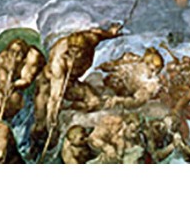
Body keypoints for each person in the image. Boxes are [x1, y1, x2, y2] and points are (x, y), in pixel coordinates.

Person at [32, 22, 123, 154]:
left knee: (94, 102)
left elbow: (97, 33)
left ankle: (68, 108)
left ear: (84, 49)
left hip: (71, 83)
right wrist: (52, 115)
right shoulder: (59, 61)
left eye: (77, 52)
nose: (73, 54)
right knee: (42, 124)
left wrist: (111, 33)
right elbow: (55, 96)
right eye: (71, 51)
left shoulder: (90, 40)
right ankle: (36, 147)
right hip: (49, 85)